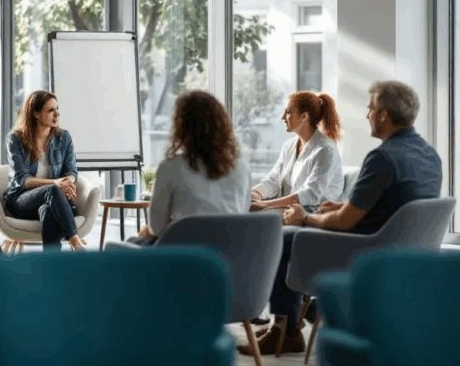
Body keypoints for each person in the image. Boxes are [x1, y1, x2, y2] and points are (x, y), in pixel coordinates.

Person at [240, 80, 442, 357]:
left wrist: (305, 217)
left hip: (365, 251)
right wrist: (341, 206)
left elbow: (344, 222)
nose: (367, 115)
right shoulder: (429, 156)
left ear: (384, 114)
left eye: (370, 109)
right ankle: (303, 316)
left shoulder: (383, 158)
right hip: (403, 254)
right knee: (287, 233)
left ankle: (286, 331)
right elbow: (387, 205)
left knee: (284, 238)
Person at [129, 91, 251, 245]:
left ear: (181, 127)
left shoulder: (170, 167)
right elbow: (241, 215)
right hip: (228, 253)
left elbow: (157, 227)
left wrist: (153, 230)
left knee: (132, 242)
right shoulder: (242, 168)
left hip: (182, 254)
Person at [4, 90, 87, 251]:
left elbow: (71, 171)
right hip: (20, 200)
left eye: (57, 109)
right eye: (50, 110)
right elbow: (24, 180)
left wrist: (66, 183)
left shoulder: (64, 138)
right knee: (52, 189)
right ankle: (75, 241)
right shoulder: (15, 139)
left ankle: (51, 262)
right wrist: (56, 183)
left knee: (48, 211)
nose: (57, 114)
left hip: (52, 200)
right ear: (35, 113)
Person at [250, 92, 344, 212]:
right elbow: (274, 180)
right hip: (291, 211)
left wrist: (265, 205)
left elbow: (310, 194)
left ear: (304, 116)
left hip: (315, 213)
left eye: (288, 112)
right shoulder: (288, 146)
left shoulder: (326, 150)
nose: (283, 117)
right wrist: (256, 193)